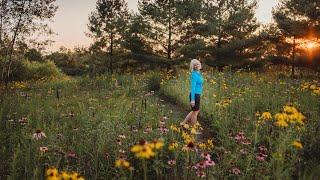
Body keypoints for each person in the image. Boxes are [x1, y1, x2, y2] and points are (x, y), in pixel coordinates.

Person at [180, 59, 204, 126]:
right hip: (195, 95)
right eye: (195, 65)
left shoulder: (198, 73)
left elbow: (199, 84)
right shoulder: (194, 74)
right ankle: (193, 128)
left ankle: (183, 123)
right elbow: (193, 88)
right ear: (193, 66)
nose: (196, 65)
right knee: (195, 112)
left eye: (197, 64)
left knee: (195, 111)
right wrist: (193, 99)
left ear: (199, 64)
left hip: (197, 94)